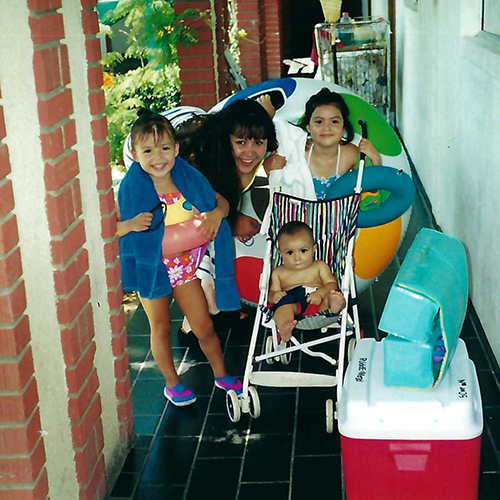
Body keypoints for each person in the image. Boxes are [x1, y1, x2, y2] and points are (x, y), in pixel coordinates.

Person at [116, 111, 242, 406]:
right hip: (154, 269)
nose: (157, 157)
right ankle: (172, 383)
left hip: (184, 268)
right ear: (135, 154)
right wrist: (128, 226)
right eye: (147, 151)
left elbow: (221, 201)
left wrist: (216, 214)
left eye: (164, 149)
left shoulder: (188, 180)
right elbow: (106, 226)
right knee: (159, 327)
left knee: (204, 325)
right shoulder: (130, 190)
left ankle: (221, 373)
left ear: (176, 149)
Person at [177, 98, 283, 242]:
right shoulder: (201, 167)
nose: (250, 152)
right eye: (241, 143)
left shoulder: (259, 161)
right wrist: (232, 224)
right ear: (225, 140)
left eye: (258, 143)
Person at [258, 88, 381, 200]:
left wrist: (375, 157)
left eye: (334, 121)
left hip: (335, 219)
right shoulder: (297, 149)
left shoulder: (351, 153)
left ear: (344, 128)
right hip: (300, 218)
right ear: (308, 127)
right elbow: (278, 180)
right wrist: (268, 165)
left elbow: (371, 187)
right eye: (319, 121)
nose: (326, 127)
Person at [268, 221, 346, 342]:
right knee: (283, 307)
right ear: (280, 253)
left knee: (331, 294)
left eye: (303, 251)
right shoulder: (278, 273)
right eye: (289, 252)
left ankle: (334, 306)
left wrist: (320, 293)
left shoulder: (319, 266)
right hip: (294, 307)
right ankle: (285, 329)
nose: (297, 257)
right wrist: (274, 296)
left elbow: (331, 284)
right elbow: (272, 293)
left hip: (319, 304)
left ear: (313, 249)